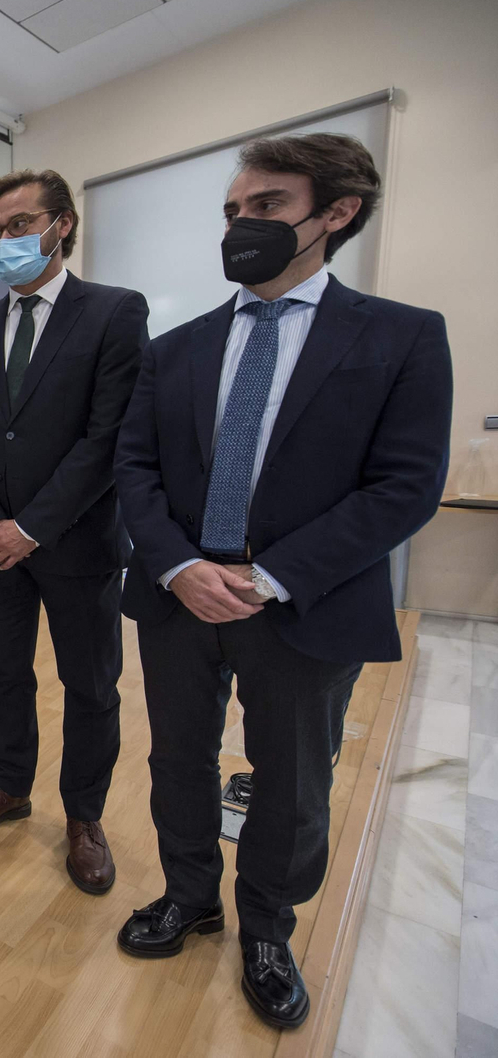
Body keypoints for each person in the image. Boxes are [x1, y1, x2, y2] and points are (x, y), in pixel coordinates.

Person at [112, 133, 452, 1028]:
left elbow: (405, 485)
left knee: (293, 778)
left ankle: (267, 924)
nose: (241, 224)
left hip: (304, 601)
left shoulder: (402, 338)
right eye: (232, 210)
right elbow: (135, 468)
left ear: (334, 213)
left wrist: (270, 577)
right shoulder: (176, 347)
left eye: (265, 206)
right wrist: (180, 564)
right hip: (178, 597)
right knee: (177, 758)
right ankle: (191, 894)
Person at [0, 169, 148, 895]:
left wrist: (32, 526)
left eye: (20, 224)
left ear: (62, 224)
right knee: (4, 670)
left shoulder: (114, 313)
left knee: (90, 684)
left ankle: (84, 816)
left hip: (77, 542)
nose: (6, 241)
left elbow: (107, 436)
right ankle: (10, 782)